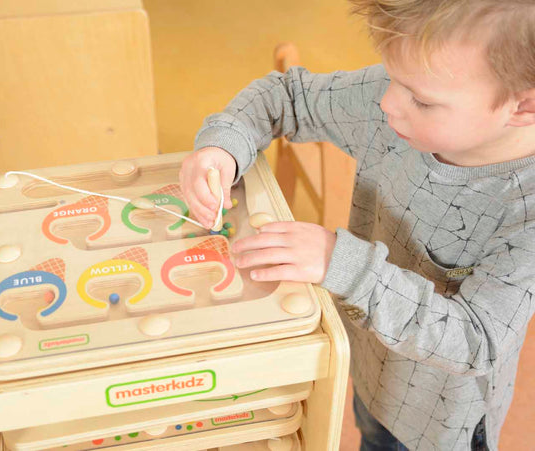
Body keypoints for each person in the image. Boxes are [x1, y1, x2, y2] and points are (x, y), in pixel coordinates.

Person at [179, 1, 535, 449]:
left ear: (524, 106)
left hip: (436, 423)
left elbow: (476, 340)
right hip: (369, 366)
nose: (386, 102)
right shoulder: (395, 99)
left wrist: (339, 261)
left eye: (421, 99)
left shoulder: (525, 210)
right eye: (392, 78)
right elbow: (287, 95)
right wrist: (222, 148)